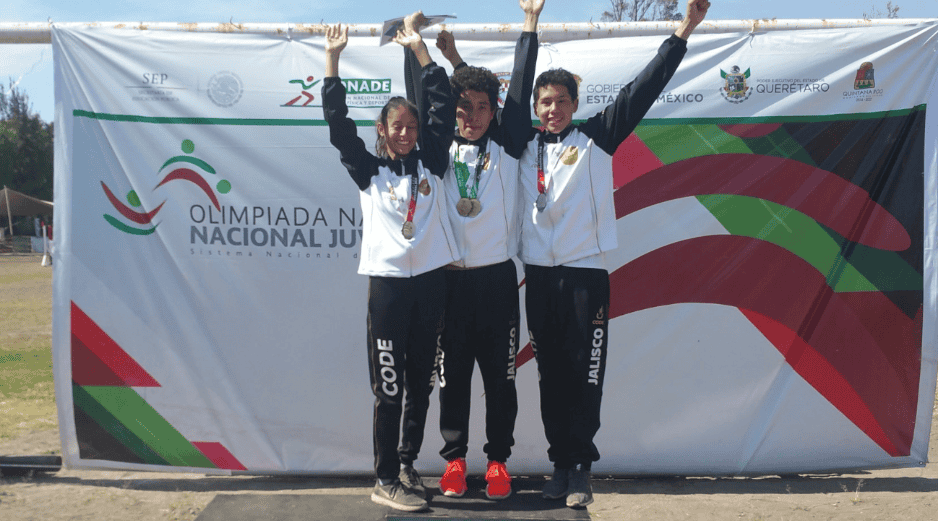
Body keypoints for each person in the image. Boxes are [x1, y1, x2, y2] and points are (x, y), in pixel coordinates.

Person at [517, 0, 711, 509]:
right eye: (544, 102)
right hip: (539, 278)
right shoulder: (521, 147)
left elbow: (643, 89)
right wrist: (529, 26)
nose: (552, 109)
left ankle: (581, 469)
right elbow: (513, 90)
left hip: (585, 279)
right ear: (535, 109)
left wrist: (683, 31)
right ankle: (560, 465)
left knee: (585, 375)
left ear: (575, 104)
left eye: (560, 100)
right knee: (551, 376)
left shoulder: (597, 138)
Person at [321, 14, 457, 512]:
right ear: (383, 130)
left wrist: (423, 52)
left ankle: (406, 465)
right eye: (398, 126)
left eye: (412, 127)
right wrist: (332, 61)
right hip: (388, 289)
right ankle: (383, 478)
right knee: (391, 386)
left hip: (430, 287)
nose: (406, 134)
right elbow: (339, 128)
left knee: (421, 383)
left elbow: (443, 106)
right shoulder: (369, 171)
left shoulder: (433, 164)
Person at [426, 0, 543, 501]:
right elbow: (431, 94)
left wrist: (530, 23)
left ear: (493, 113)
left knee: (501, 379)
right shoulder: (437, 150)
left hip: (497, 282)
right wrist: (432, 55)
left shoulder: (509, 145)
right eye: (461, 108)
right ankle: (454, 462)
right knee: (451, 380)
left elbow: (517, 86)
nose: (471, 117)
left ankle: (498, 462)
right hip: (449, 283)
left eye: (480, 108)